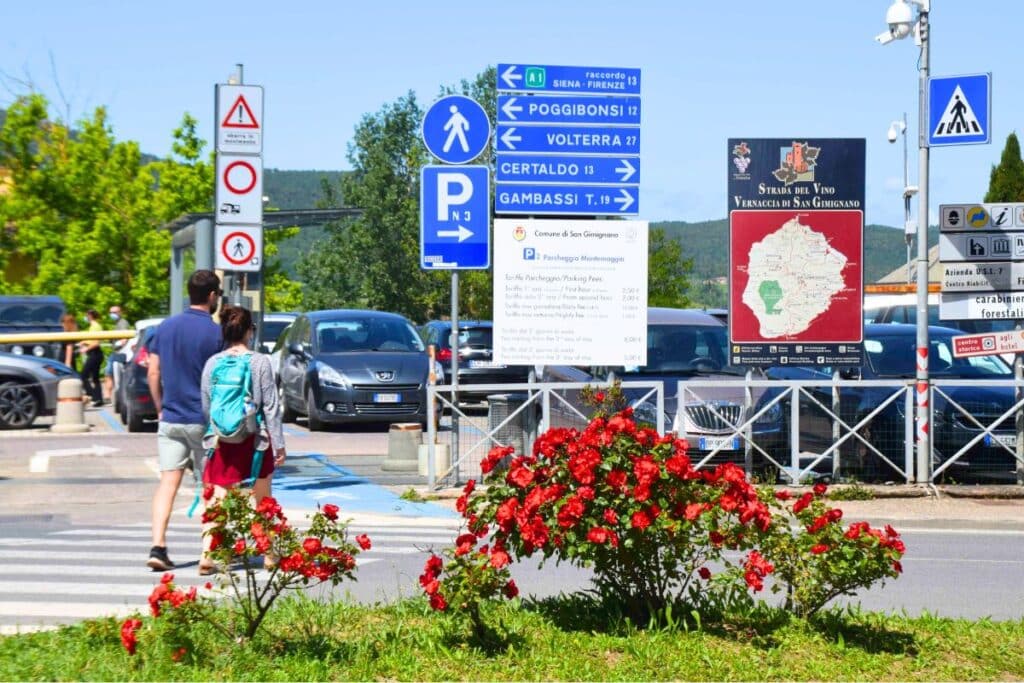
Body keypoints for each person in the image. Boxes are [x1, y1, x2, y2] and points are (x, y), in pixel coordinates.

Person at [199, 305, 286, 574]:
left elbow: (206, 405)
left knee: (218, 498)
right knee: (261, 499)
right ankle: (268, 553)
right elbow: (270, 406)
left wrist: (220, 429)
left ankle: (207, 554)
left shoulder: (213, 363)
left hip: (222, 442)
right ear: (250, 331)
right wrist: (279, 445)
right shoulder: (260, 362)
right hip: (255, 440)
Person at [146, 270, 223, 571]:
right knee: (211, 487)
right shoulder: (216, 333)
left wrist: (160, 407)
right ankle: (208, 553)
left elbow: (153, 372)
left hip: (171, 418)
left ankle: (158, 547)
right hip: (204, 421)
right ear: (212, 295)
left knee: (168, 483)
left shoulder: (164, 327)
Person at [102, 305, 131, 401]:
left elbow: (124, 338)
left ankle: (108, 395)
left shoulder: (123, 323)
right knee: (109, 373)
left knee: (109, 373)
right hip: (116, 352)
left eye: (114, 312)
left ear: (120, 312)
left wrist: (118, 344)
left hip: (120, 353)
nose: (112, 314)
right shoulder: (117, 324)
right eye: (111, 312)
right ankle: (108, 395)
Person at [78, 310, 104, 406]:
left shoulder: (95, 326)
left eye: (86, 315)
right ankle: (99, 399)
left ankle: (92, 395)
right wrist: (83, 342)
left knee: (83, 375)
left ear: (90, 316)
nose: (85, 317)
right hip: (94, 354)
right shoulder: (92, 327)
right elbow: (91, 340)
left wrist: (86, 349)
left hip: (95, 354)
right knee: (95, 378)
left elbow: (96, 343)